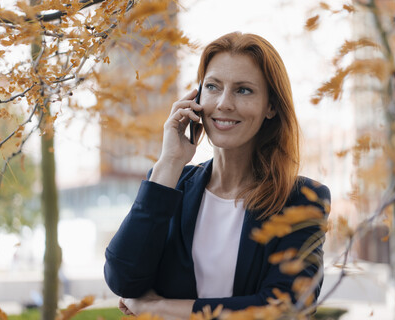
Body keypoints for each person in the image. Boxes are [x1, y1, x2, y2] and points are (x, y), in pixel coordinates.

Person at [104, 32, 330, 319]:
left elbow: (284, 309)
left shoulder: (301, 200)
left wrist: (157, 308)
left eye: (243, 90)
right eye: (213, 86)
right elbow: (123, 279)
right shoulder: (170, 184)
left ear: (271, 106)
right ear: (197, 97)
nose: (224, 103)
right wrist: (169, 162)